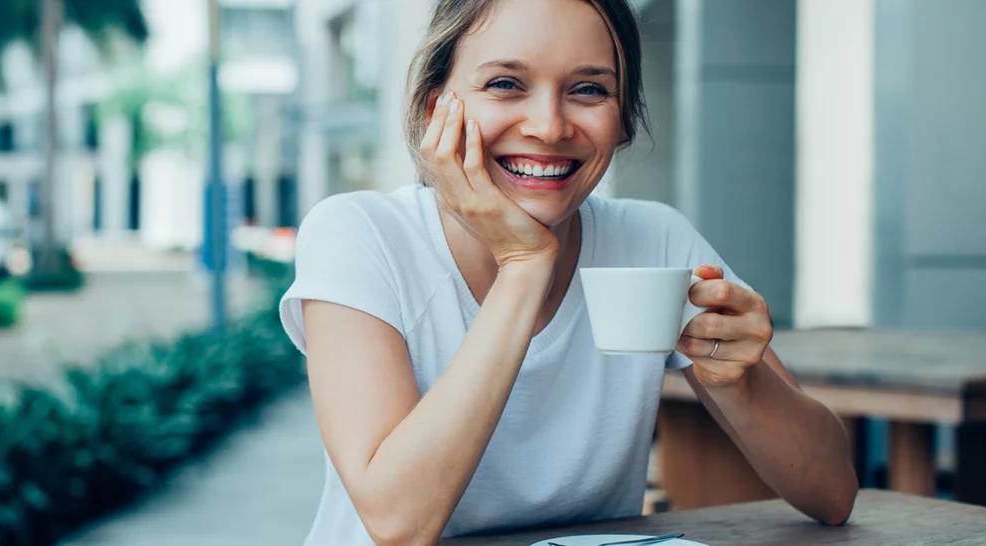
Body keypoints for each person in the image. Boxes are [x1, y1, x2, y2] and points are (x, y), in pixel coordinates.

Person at [279, 0, 859, 544]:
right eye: (505, 83)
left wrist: (737, 378)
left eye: (588, 90)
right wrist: (525, 264)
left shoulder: (654, 239)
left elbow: (832, 495)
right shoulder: (359, 234)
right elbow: (398, 525)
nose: (550, 127)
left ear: (622, 121)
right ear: (437, 108)